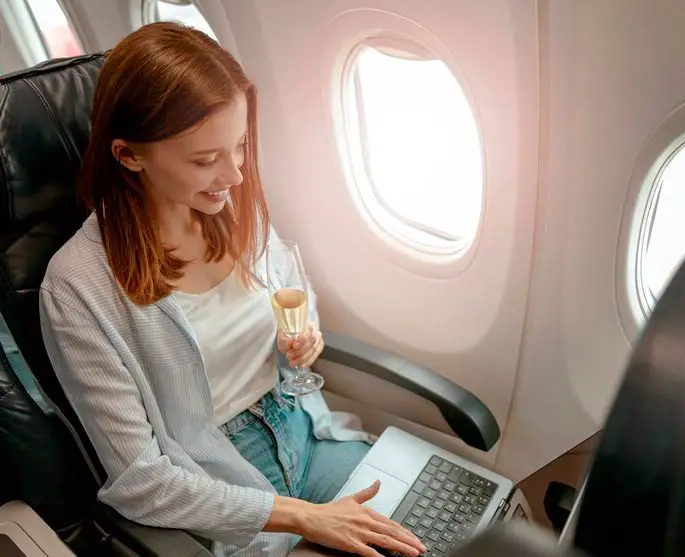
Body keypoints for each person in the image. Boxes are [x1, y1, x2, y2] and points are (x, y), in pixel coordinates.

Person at [38, 22, 425, 557]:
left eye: (239, 145)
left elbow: (294, 293)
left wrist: (302, 341)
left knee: (431, 534)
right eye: (205, 160)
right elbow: (140, 480)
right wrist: (302, 519)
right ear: (129, 156)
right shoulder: (77, 287)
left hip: (303, 430)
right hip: (218, 478)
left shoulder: (231, 208)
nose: (236, 174)